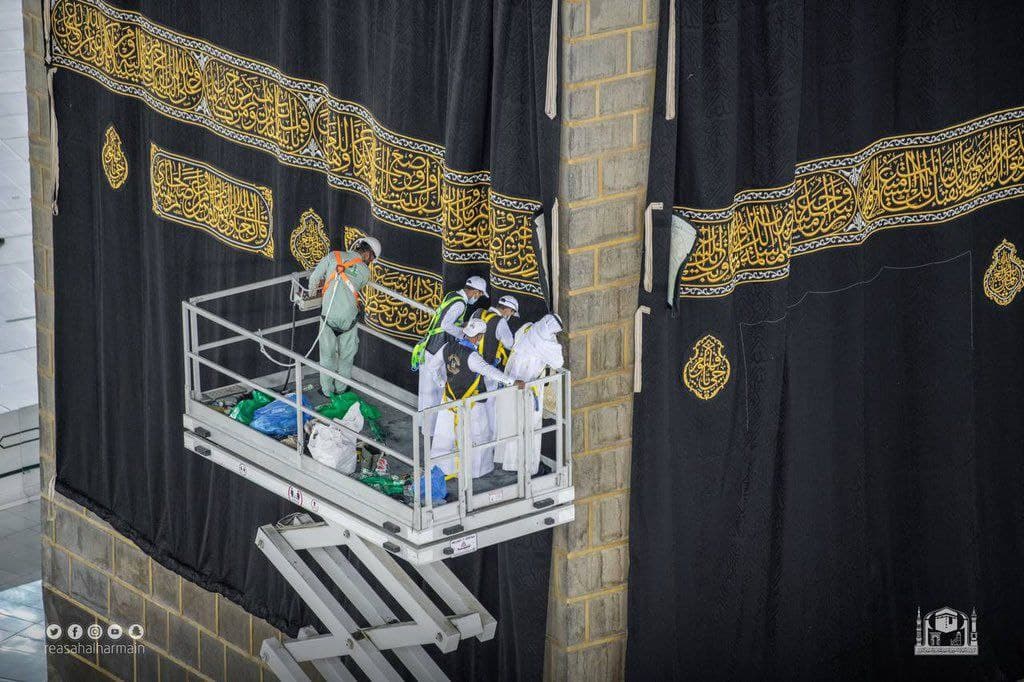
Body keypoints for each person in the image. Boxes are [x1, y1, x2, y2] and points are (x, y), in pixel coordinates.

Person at [429, 318, 524, 478]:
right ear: (479, 337)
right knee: (478, 436)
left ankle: (443, 469)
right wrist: (512, 381)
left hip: (449, 401)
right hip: (471, 405)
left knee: (445, 436)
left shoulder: (447, 347)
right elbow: (490, 371)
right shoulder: (472, 357)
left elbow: (432, 366)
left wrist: (440, 383)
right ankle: (475, 471)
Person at [411, 275, 488, 433]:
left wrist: (463, 325)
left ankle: (424, 428)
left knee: (426, 392)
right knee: (434, 394)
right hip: (437, 349)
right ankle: (430, 432)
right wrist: (465, 333)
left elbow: (446, 319)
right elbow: (446, 325)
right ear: (475, 291)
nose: (478, 298)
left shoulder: (452, 295)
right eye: (479, 294)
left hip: (430, 346)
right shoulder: (460, 304)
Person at [492, 313, 565, 475]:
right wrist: (554, 340)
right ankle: (527, 467)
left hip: (512, 382)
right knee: (530, 427)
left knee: (512, 423)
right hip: (529, 389)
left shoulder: (528, 327)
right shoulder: (545, 342)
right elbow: (558, 362)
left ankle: (508, 462)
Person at [308, 237, 380, 397]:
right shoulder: (365, 272)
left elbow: (314, 278)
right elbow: (355, 286)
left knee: (326, 355)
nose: (370, 262)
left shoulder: (333, 256)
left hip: (328, 316)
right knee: (346, 356)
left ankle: (327, 391)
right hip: (348, 319)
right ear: (368, 254)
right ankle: (341, 390)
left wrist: (312, 294)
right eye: (372, 259)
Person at [469, 294, 519, 458]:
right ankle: (491, 447)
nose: (511, 315)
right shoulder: (500, 322)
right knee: (490, 410)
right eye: (512, 312)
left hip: (469, 366)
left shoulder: (477, 312)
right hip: (488, 373)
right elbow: (510, 344)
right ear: (507, 309)